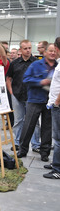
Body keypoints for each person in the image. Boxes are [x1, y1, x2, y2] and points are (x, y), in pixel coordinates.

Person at [17, 43, 56, 161]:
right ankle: (22, 150)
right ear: (45, 52)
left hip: (50, 101)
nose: (52, 53)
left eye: (55, 51)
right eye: (50, 51)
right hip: (35, 99)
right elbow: (26, 79)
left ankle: (45, 153)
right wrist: (41, 82)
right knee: (29, 125)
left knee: (47, 127)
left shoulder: (58, 67)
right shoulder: (36, 65)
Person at [5, 39, 40, 152]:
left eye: (29, 48)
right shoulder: (14, 63)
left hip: (32, 97)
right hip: (17, 95)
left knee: (34, 122)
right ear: (21, 50)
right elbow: (8, 78)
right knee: (18, 120)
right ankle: (17, 142)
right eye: (25, 48)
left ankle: (35, 144)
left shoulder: (36, 62)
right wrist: (11, 92)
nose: (28, 50)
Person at [44, 37, 60, 179]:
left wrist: (57, 102)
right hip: (55, 104)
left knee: (58, 139)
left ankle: (57, 170)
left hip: (58, 105)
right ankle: (56, 162)